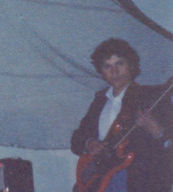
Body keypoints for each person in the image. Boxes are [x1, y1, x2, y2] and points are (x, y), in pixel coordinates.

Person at [70, 38, 172, 192]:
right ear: (101, 72)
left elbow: (169, 143)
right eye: (107, 66)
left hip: (138, 182)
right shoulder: (100, 100)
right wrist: (89, 143)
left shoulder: (152, 96)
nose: (114, 71)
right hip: (99, 178)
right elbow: (77, 138)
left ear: (131, 66)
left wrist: (157, 131)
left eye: (119, 64)